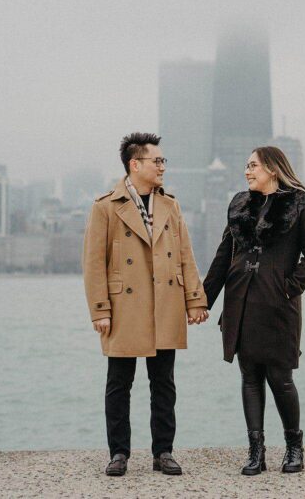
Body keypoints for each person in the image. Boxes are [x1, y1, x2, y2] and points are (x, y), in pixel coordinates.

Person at [82, 132, 209, 477]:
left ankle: (163, 452)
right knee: (119, 383)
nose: (163, 167)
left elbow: (185, 255)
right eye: (157, 161)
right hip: (123, 306)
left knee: (164, 383)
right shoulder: (105, 206)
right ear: (135, 164)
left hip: (165, 302)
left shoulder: (170, 204)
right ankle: (118, 453)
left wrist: (195, 300)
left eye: (163, 161)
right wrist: (100, 309)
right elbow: (93, 263)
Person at [203, 146, 305, 475]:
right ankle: (256, 453)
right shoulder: (240, 205)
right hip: (240, 302)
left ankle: (294, 447)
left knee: (280, 378)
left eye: (253, 165)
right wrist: (203, 301)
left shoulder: (301, 204)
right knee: (250, 377)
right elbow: (222, 257)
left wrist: (289, 287)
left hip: (277, 305)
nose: (247, 171)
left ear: (272, 168)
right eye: (246, 165)